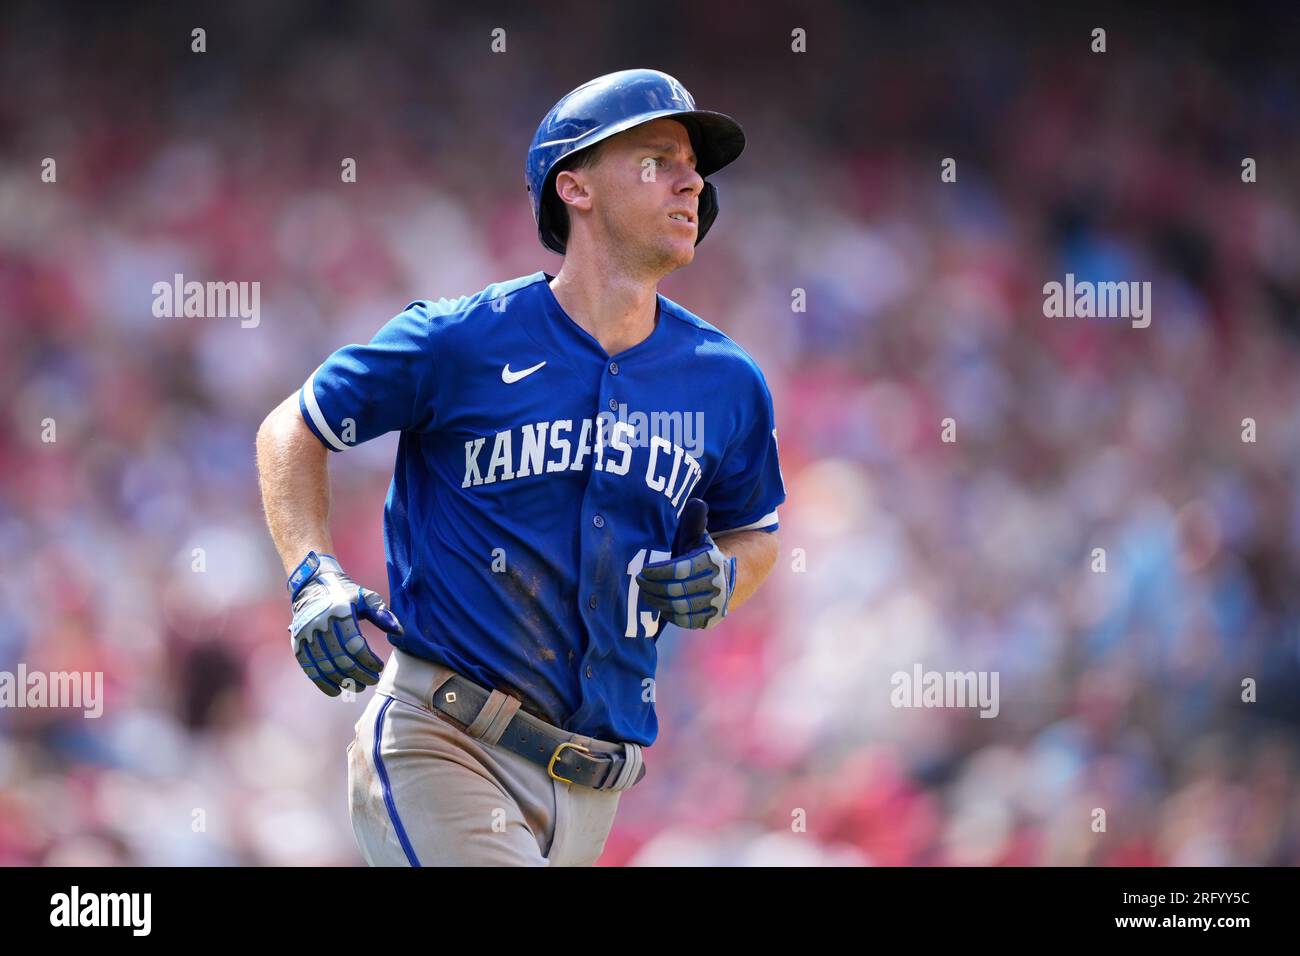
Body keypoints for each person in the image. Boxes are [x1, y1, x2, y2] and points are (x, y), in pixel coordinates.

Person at [254, 68, 786, 866]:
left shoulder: (726, 380)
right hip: (444, 741)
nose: (692, 180)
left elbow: (755, 535)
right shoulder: (461, 340)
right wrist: (311, 573)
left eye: (695, 167)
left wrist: (723, 576)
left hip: (595, 789)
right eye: (658, 157)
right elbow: (292, 428)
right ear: (575, 186)